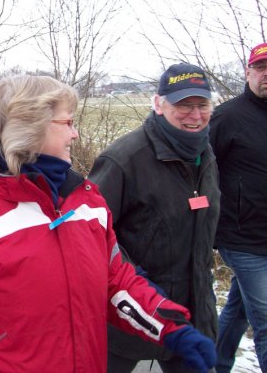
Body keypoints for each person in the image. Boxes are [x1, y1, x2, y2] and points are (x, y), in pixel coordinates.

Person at [0, 75, 216, 373]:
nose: (75, 134)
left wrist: (170, 327)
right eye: (67, 123)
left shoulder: (86, 203)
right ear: (29, 127)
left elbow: (115, 281)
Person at [89, 63, 221, 373]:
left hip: (191, 315)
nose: (195, 115)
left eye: (202, 105)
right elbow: (91, 234)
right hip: (132, 319)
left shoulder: (205, 154)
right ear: (159, 105)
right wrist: (139, 293)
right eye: (184, 105)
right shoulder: (123, 159)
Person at [210, 42, 267, 373]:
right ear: (248, 74)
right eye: (260, 68)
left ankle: (213, 365)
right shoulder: (227, 117)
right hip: (241, 238)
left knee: (238, 310)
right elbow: (201, 169)